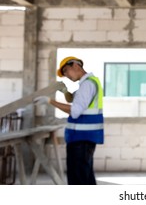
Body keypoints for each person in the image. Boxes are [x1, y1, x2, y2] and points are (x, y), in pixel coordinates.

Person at [34, 56, 104, 185]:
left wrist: (50, 101)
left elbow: (75, 111)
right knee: (85, 176)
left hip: (81, 139)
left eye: (66, 71)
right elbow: (72, 99)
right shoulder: (88, 83)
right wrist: (65, 91)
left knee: (78, 179)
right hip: (84, 138)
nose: (66, 75)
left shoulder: (87, 84)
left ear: (76, 65)